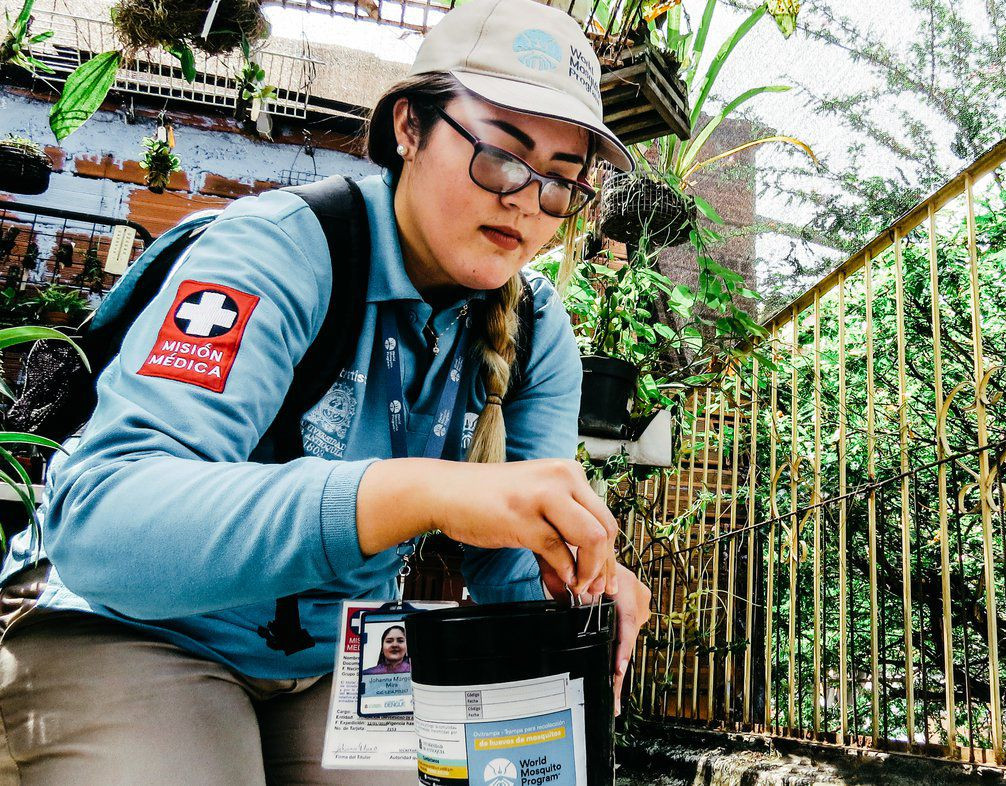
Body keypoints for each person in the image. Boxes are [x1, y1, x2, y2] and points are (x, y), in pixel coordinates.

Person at [0, 0, 651, 782]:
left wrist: (581, 586)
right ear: (408, 128)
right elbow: (105, 525)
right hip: (131, 626)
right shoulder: (278, 252)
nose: (524, 199)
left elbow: (511, 564)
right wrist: (413, 493)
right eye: (502, 156)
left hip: (341, 659)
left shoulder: (537, 331)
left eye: (560, 183)